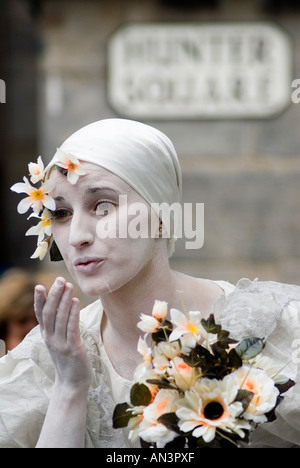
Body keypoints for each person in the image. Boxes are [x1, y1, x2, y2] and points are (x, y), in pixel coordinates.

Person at [0, 118, 299, 448]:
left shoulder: (268, 327)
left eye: (103, 205)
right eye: (60, 213)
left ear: (160, 217)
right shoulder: (47, 358)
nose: (77, 237)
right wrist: (70, 388)